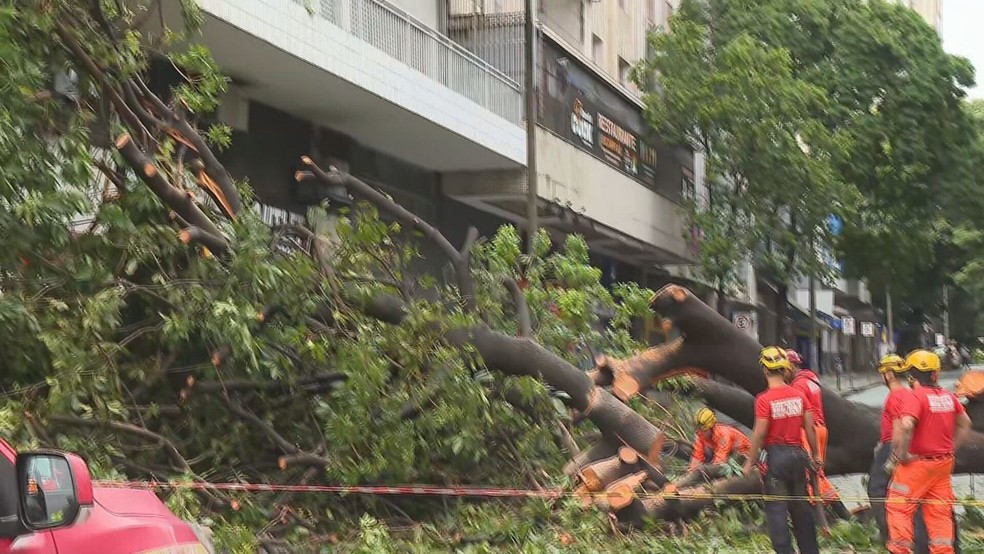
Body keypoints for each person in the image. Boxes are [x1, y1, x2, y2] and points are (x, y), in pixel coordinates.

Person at [886, 349, 972, 554]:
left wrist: (903, 455)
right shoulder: (948, 397)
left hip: (918, 464)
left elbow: (906, 425)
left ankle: (901, 551)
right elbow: (966, 423)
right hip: (943, 464)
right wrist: (950, 448)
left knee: (898, 506)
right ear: (935, 374)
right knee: (939, 513)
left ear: (911, 376)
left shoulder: (916, 396)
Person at [743, 346, 820, 554]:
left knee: (777, 513)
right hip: (799, 457)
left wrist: (749, 463)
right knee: (802, 511)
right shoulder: (799, 396)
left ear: (765, 369)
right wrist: (816, 455)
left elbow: (759, 433)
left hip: (776, 460)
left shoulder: (764, 400)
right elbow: (810, 428)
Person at [785, 349, 849, 520]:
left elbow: (798, 413)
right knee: (817, 472)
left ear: (791, 366)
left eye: (783, 369)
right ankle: (837, 513)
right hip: (820, 429)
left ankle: (821, 514)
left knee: (808, 472)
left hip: (809, 430)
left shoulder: (798, 385)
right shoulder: (811, 378)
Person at [673, 407, 751, 489]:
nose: (699, 433)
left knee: (712, 469)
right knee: (706, 457)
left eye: (702, 430)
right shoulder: (701, 435)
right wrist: (690, 474)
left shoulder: (723, 435)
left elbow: (719, 461)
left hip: (742, 457)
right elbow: (697, 456)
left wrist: (706, 472)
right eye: (697, 429)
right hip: (726, 455)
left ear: (711, 428)